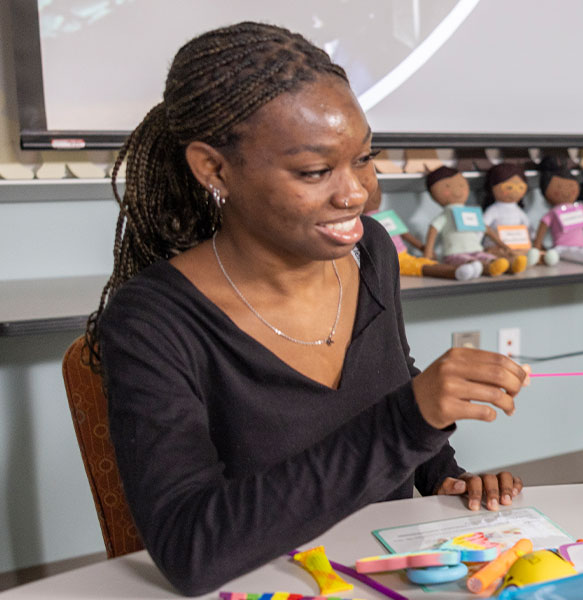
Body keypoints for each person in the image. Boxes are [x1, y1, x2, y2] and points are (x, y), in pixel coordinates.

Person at [86, 22, 529, 595]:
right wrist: (408, 421)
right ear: (214, 169)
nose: (358, 195)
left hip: (380, 575)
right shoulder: (152, 322)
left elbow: (387, 384)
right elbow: (191, 549)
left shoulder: (370, 250)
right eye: (316, 172)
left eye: (365, 158)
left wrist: (444, 473)